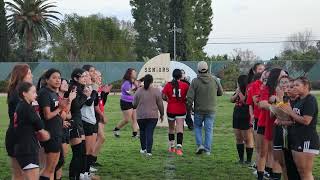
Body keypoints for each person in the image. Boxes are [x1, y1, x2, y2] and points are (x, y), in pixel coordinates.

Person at [279, 77, 320, 180]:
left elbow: (306, 121)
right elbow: (295, 120)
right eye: (294, 85)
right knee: (300, 171)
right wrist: (283, 121)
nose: (294, 87)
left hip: (306, 139)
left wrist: (290, 112)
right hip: (297, 139)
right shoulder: (299, 100)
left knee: (305, 172)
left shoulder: (310, 99)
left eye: (297, 85)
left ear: (306, 87)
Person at [14, 82, 50, 180]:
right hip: (27, 149)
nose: (36, 95)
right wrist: (45, 134)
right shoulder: (27, 108)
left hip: (24, 147)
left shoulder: (21, 105)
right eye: (33, 92)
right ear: (24, 93)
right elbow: (40, 126)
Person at [187, 61, 223, 155]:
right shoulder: (214, 79)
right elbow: (220, 93)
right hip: (211, 110)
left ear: (198, 70)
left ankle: (200, 145)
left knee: (197, 127)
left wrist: (189, 108)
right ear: (207, 69)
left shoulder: (195, 81)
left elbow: (190, 98)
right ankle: (207, 150)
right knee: (208, 130)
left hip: (198, 110)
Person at [257, 68, 287, 180]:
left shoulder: (286, 88)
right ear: (276, 76)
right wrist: (274, 106)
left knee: (277, 154)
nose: (285, 76)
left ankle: (273, 175)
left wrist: (278, 102)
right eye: (283, 74)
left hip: (281, 124)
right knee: (264, 152)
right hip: (265, 123)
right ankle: (261, 175)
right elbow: (261, 103)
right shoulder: (267, 87)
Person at [38, 69, 68, 180]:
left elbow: (59, 114)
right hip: (50, 133)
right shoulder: (44, 93)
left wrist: (63, 107)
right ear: (47, 80)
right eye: (54, 78)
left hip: (57, 132)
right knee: (48, 168)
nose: (58, 80)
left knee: (55, 166)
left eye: (59, 78)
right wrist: (60, 108)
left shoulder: (54, 92)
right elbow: (47, 115)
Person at [6, 64, 33, 180]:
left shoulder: (22, 92)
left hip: (25, 136)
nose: (32, 75)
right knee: (19, 175)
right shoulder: (17, 94)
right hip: (17, 137)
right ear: (21, 76)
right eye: (29, 73)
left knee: (25, 174)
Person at [67, 68, 91, 180]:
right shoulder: (74, 87)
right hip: (74, 122)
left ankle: (79, 176)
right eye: (82, 76)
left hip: (78, 121)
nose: (85, 78)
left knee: (81, 152)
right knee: (78, 153)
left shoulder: (79, 87)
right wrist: (86, 96)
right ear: (76, 78)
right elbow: (76, 106)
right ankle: (73, 176)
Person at [133, 74, 164, 156]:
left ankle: (143, 149)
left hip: (141, 116)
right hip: (153, 116)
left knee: (142, 132)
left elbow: (134, 104)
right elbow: (160, 104)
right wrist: (162, 114)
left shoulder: (139, 91)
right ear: (152, 81)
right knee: (149, 132)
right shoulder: (156, 91)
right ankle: (149, 151)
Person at [162, 69, 189, 156]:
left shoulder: (168, 85)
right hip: (181, 109)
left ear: (173, 75)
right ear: (181, 76)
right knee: (180, 128)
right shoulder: (185, 85)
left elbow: (163, 96)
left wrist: (168, 100)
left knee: (171, 128)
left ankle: (172, 147)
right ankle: (179, 149)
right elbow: (188, 97)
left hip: (171, 109)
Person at [231, 75, 254, 164]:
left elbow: (246, 101)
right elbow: (231, 99)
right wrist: (237, 93)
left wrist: (239, 92)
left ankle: (248, 160)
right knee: (238, 138)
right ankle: (241, 159)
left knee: (248, 139)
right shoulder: (238, 90)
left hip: (246, 115)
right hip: (236, 115)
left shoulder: (249, 90)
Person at [80, 70, 99, 176]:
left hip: (91, 121)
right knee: (86, 150)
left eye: (87, 75)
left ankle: (86, 172)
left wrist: (98, 92)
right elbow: (88, 102)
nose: (87, 77)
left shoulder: (90, 88)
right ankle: (83, 173)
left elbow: (94, 102)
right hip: (85, 120)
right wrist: (94, 92)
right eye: (84, 75)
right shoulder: (82, 88)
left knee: (90, 149)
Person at [55, 78, 75, 180]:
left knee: (62, 160)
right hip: (58, 131)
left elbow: (69, 116)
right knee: (57, 161)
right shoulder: (57, 98)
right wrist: (70, 100)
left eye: (67, 83)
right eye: (64, 83)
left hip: (65, 130)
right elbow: (64, 115)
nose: (66, 85)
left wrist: (68, 102)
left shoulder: (65, 99)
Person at [92, 70, 112, 167]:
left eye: (100, 76)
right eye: (98, 76)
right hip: (95, 116)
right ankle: (91, 161)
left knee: (98, 139)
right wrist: (102, 115)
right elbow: (94, 105)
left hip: (99, 115)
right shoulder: (93, 89)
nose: (100, 78)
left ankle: (93, 161)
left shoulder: (98, 89)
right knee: (101, 138)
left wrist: (105, 94)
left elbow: (101, 103)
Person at [113, 68, 139, 138]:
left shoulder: (135, 81)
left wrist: (138, 85)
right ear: (130, 74)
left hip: (133, 102)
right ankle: (116, 129)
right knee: (127, 120)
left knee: (134, 118)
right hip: (126, 102)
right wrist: (137, 87)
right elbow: (130, 92)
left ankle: (135, 134)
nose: (135, 73)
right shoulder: (126, 83)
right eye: (134, 72)